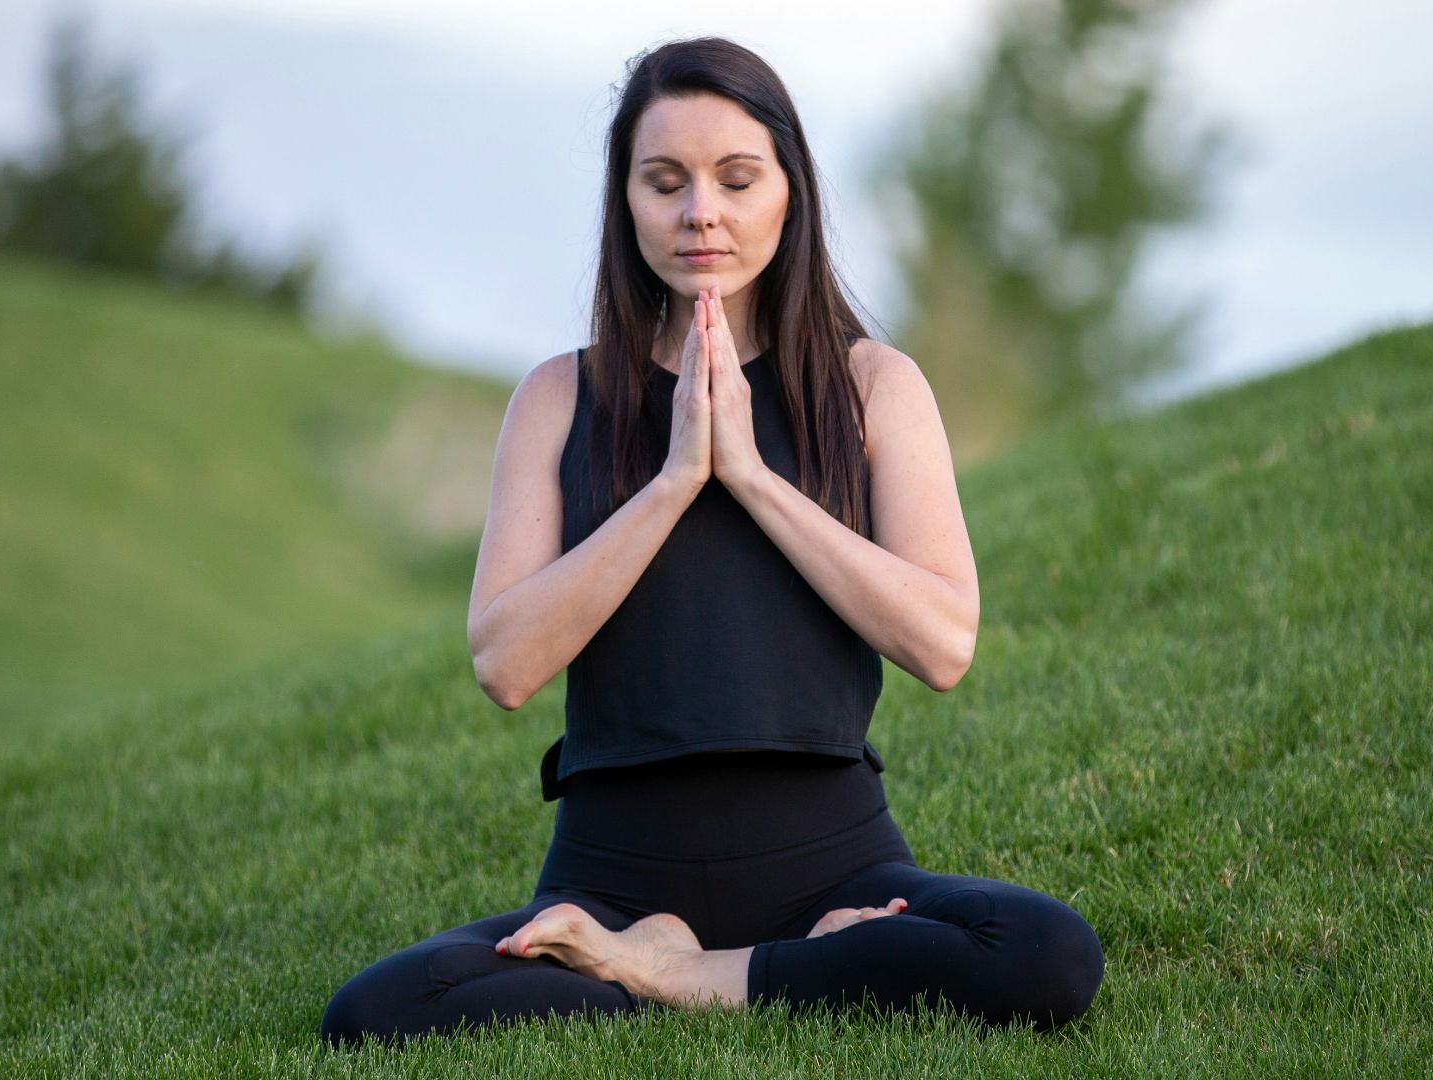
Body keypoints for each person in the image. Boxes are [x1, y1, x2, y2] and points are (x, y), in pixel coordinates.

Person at [319, 35, 1103, 1050]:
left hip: (836, 866)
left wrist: (752, 476)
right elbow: (504, 663)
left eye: (737, 178)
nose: (702, 212)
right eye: (665, 181)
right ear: (626, 200)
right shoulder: (559, 397)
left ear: (790, 191)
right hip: (611, 875)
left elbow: (944, 644)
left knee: (1045, 953)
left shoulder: (874, 387)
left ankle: (677, 976)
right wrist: (677, 476)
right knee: (376, 1012)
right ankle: (711, 960)